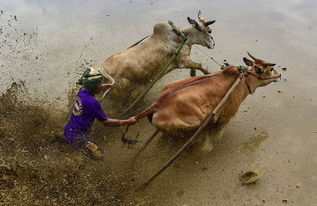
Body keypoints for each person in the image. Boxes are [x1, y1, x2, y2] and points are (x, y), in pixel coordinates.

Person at [64, 68, 137, 160]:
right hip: (77, 137)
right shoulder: (92, 103)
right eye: (100, 84)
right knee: (101, 156)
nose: (101, 86)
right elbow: (106, 122)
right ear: (94, 87)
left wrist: (109, 85)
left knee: (89, 154)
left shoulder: (82, 90)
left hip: (68, 130)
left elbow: (95, 86)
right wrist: (127, 121)